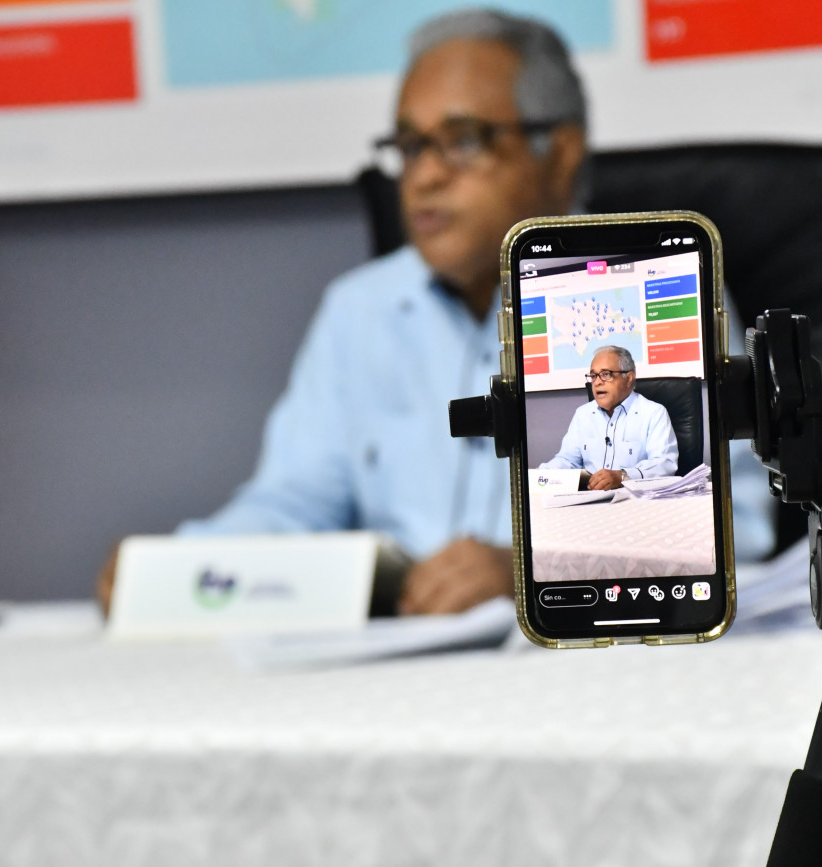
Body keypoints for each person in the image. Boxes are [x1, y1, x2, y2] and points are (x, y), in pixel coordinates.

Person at [98, 9, 774, 616]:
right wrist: (177, 563)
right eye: (411, 146)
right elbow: (294, 502)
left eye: (464, 140)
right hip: (394, 665)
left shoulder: (656, 286)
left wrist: (535, 565)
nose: (423, 176)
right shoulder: (359, 311)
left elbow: (736, 524)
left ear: (560, 152)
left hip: (580, 649)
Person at [540, 346, 678, 489]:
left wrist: (623, 477)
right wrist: (542, 474)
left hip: (633, 497)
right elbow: (568, 460)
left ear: (628, 378)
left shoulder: (653, 413)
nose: (597, 382)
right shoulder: (583, 414)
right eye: (593, 376)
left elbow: (664, 464)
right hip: (590, 497)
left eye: (606, 374)